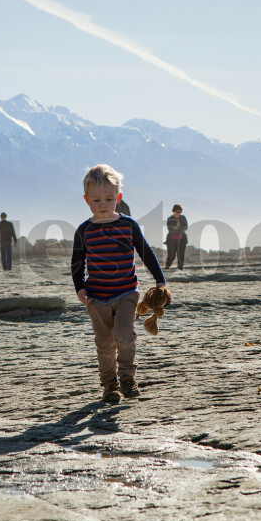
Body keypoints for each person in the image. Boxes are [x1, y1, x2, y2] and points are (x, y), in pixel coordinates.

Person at [72, 164, 167, 403]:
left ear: (119, 198)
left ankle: (127, 378)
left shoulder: (129, 225)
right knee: (104, 343)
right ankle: (109, 384)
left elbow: (145, 252)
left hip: (126, 293)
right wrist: (79, 286)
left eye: (109, 199)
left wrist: (159, 281)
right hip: (96, 297)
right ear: (86, 200)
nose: (102, 204)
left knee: (125, 335)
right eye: (96, 200)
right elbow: (77, 261)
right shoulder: (84, 230)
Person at [165, 203, 188, 269]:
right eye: (177, 211)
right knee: (171, 254)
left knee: (181, 254)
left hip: (182, 239)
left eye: (180, 212)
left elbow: (185, 227)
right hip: (171, 240)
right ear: (174, 211)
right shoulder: (170, 218)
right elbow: (170, 229)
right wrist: (179, 229)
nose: (179, 213)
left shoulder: (183, 218)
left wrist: (178, 228)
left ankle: (180, 266)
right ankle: (168, 265)